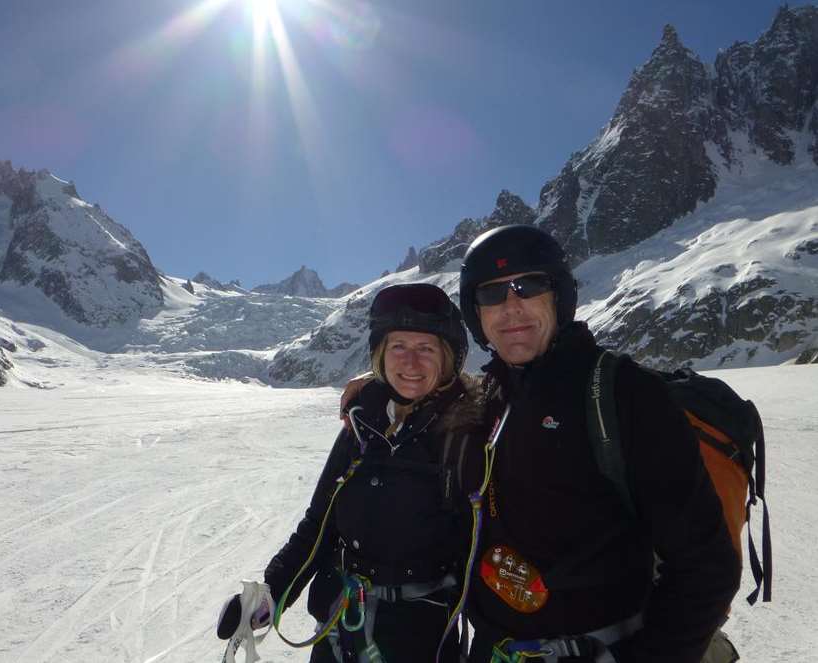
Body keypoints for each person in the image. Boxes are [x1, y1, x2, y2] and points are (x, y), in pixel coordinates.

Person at [456, 225, 741, 663]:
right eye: (492, 294)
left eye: (529, 286)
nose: (511, 306)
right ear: (476, 314)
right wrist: (375, 389)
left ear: (559, 296)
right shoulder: (485, 398)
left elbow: (706, 566)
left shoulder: (622, 392)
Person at [217, 283, 487, 662]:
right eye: (398, 347)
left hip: (423, 641)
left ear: (447, 359)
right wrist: (270, 595)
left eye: (426, 348)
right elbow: (318, 526)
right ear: (380, 355)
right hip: (341, 629)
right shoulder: (362, 428)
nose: (410, 363)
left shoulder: (470, 435)